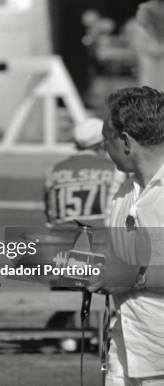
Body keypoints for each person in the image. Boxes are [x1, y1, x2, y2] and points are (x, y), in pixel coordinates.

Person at [87, 86, 164, 385]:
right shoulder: (125, 190)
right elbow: (119, 262)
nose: (105, 148)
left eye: (107, 139)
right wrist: (71, 263)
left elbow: (130, 271)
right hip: (126, 347)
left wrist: (133, 276)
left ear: (126, 141)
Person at [42, 117, 125, 353]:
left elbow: (50, 217)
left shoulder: (54, 170)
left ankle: (64, 336)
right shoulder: (113, 170)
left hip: (56, 251)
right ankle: (101, 336)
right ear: (102, 143)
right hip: (98, 248)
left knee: (68, 288)